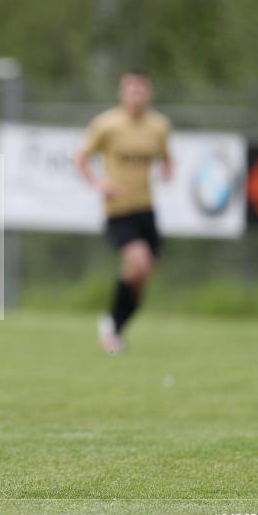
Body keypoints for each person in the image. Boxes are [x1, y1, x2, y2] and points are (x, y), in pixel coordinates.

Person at [75, 71, 172, 354]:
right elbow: (80, 158)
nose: (136, 96)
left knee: (141, 277)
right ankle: (111, 327)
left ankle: (113, 325)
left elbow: (166, 157)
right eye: (131, 91)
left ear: (148, 93)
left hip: (146, 209)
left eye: (141, 91)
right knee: (138, 262)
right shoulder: (106, 125)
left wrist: (167, 170)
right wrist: (98, 183)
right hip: (118, 210)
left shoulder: (159, 126)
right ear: (122, 93)